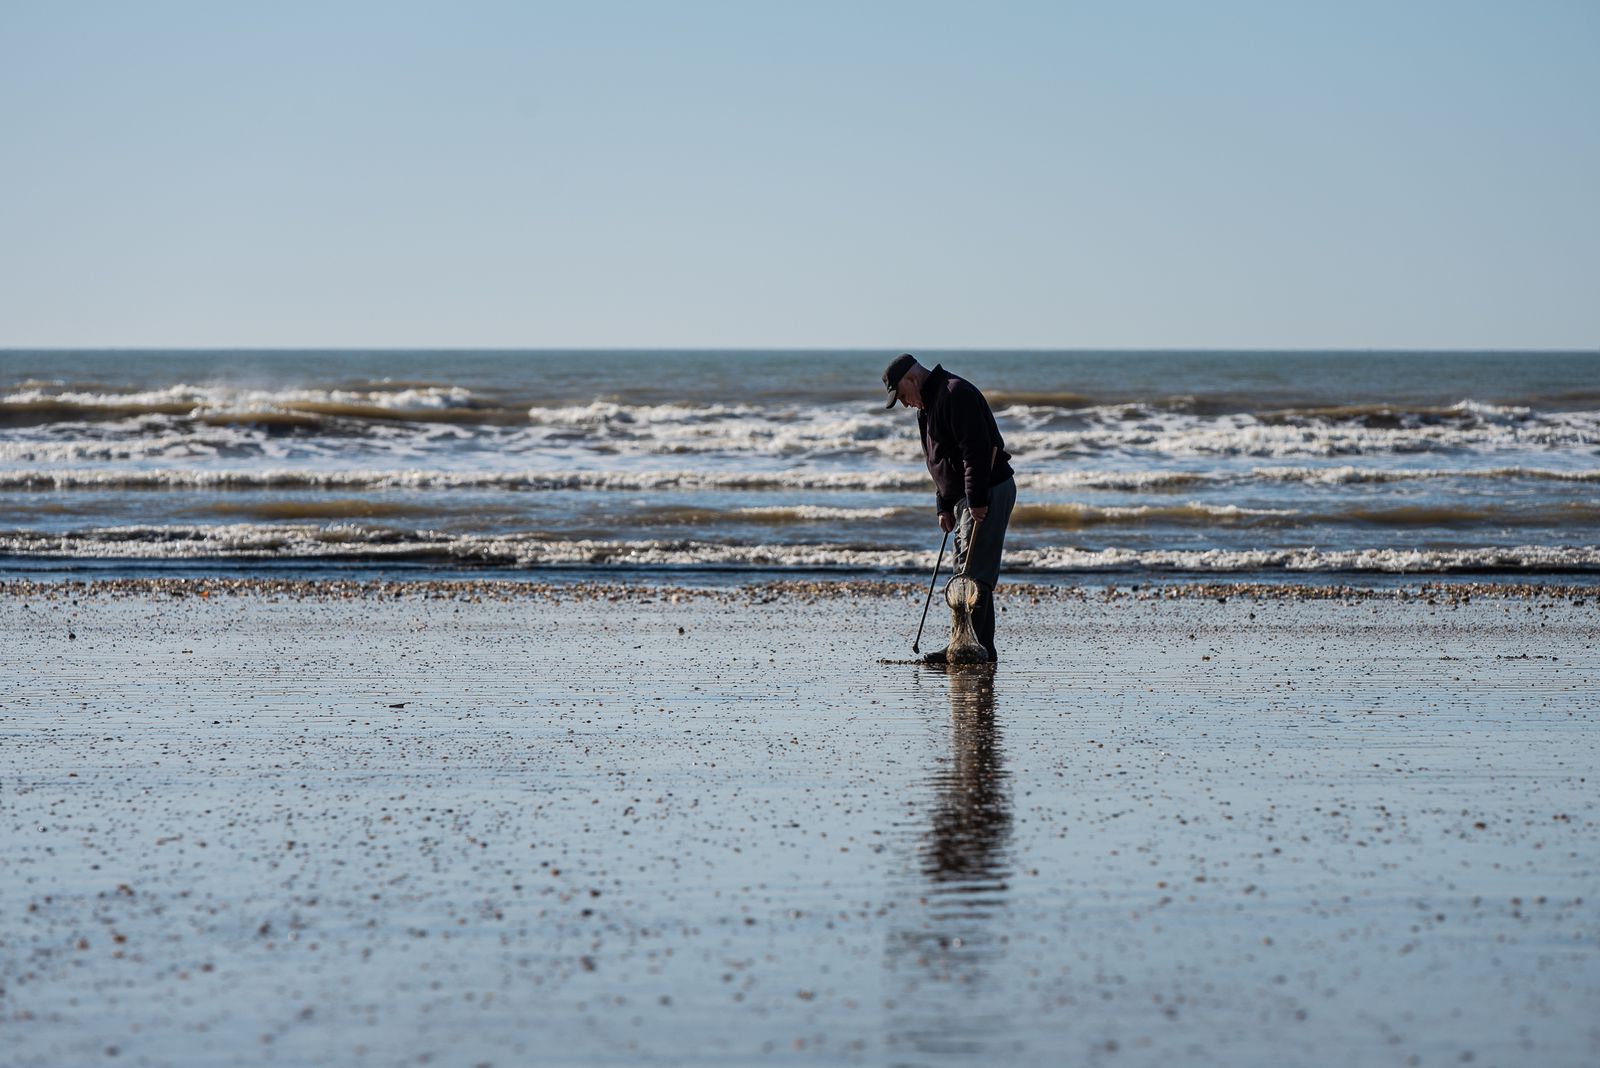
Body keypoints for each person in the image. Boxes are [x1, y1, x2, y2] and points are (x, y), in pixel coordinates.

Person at [882, 353, 1016, 663]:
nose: (904, 403)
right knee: (963, 570)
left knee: (974, 573)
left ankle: (976, 649)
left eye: (902, 395)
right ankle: (966, 642)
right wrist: (943, 504)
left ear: (911, 379)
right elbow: (937, 461)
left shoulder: (955, 393)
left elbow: (977, 452)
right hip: (965, 497)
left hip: (989, 489)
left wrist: (977, 499)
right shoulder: (926, 409)